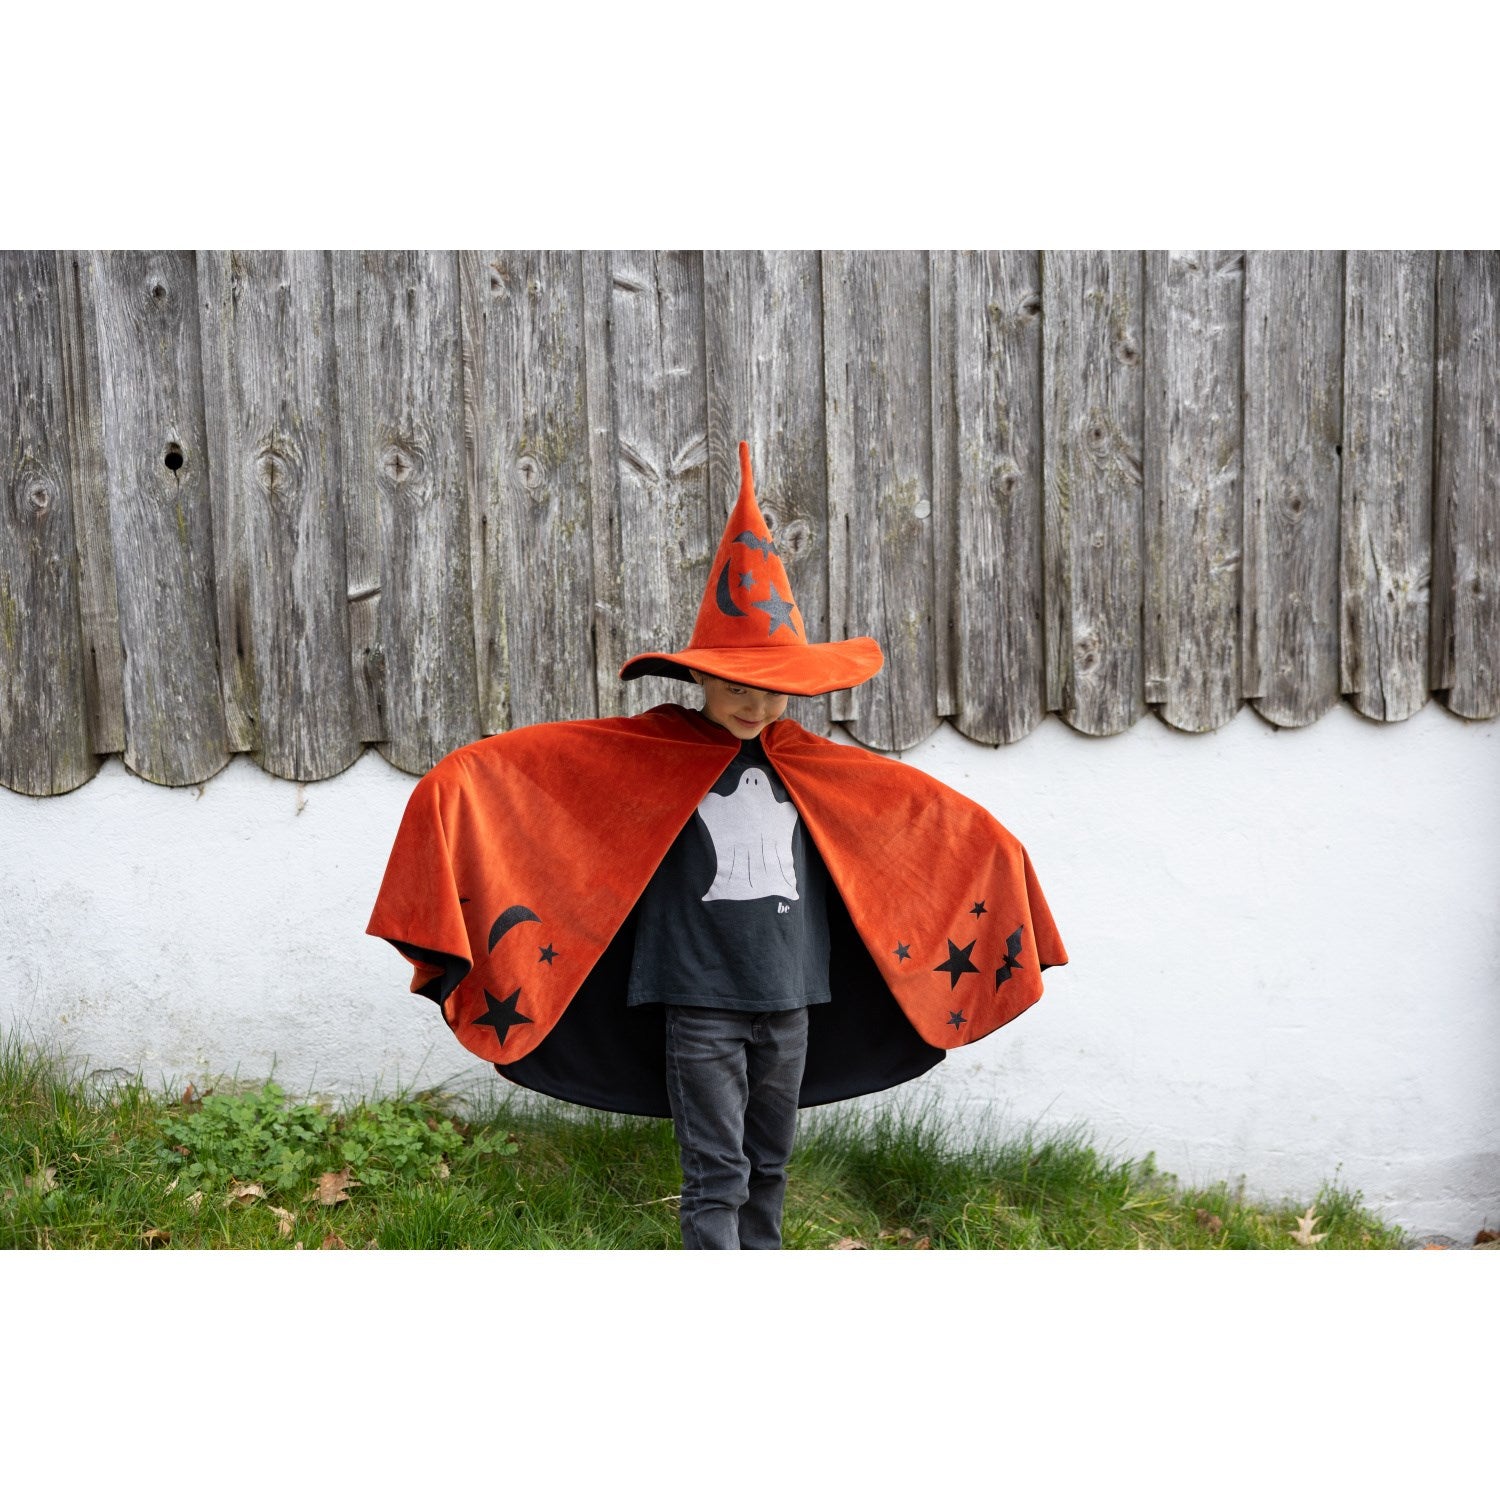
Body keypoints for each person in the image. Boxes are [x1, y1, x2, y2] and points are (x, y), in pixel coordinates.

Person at [367, 441, 1068, 1250]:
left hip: (792, 1000)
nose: (752, 705)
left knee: (769, 1163)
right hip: (697, 1001)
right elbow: (526, 776)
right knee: (717, 1170)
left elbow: (923, 822)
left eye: (771, 691)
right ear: (699, 677)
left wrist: (1001, 860)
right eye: (734, 686)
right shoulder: (648, 754)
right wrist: (452, 791)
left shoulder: (815, 766)